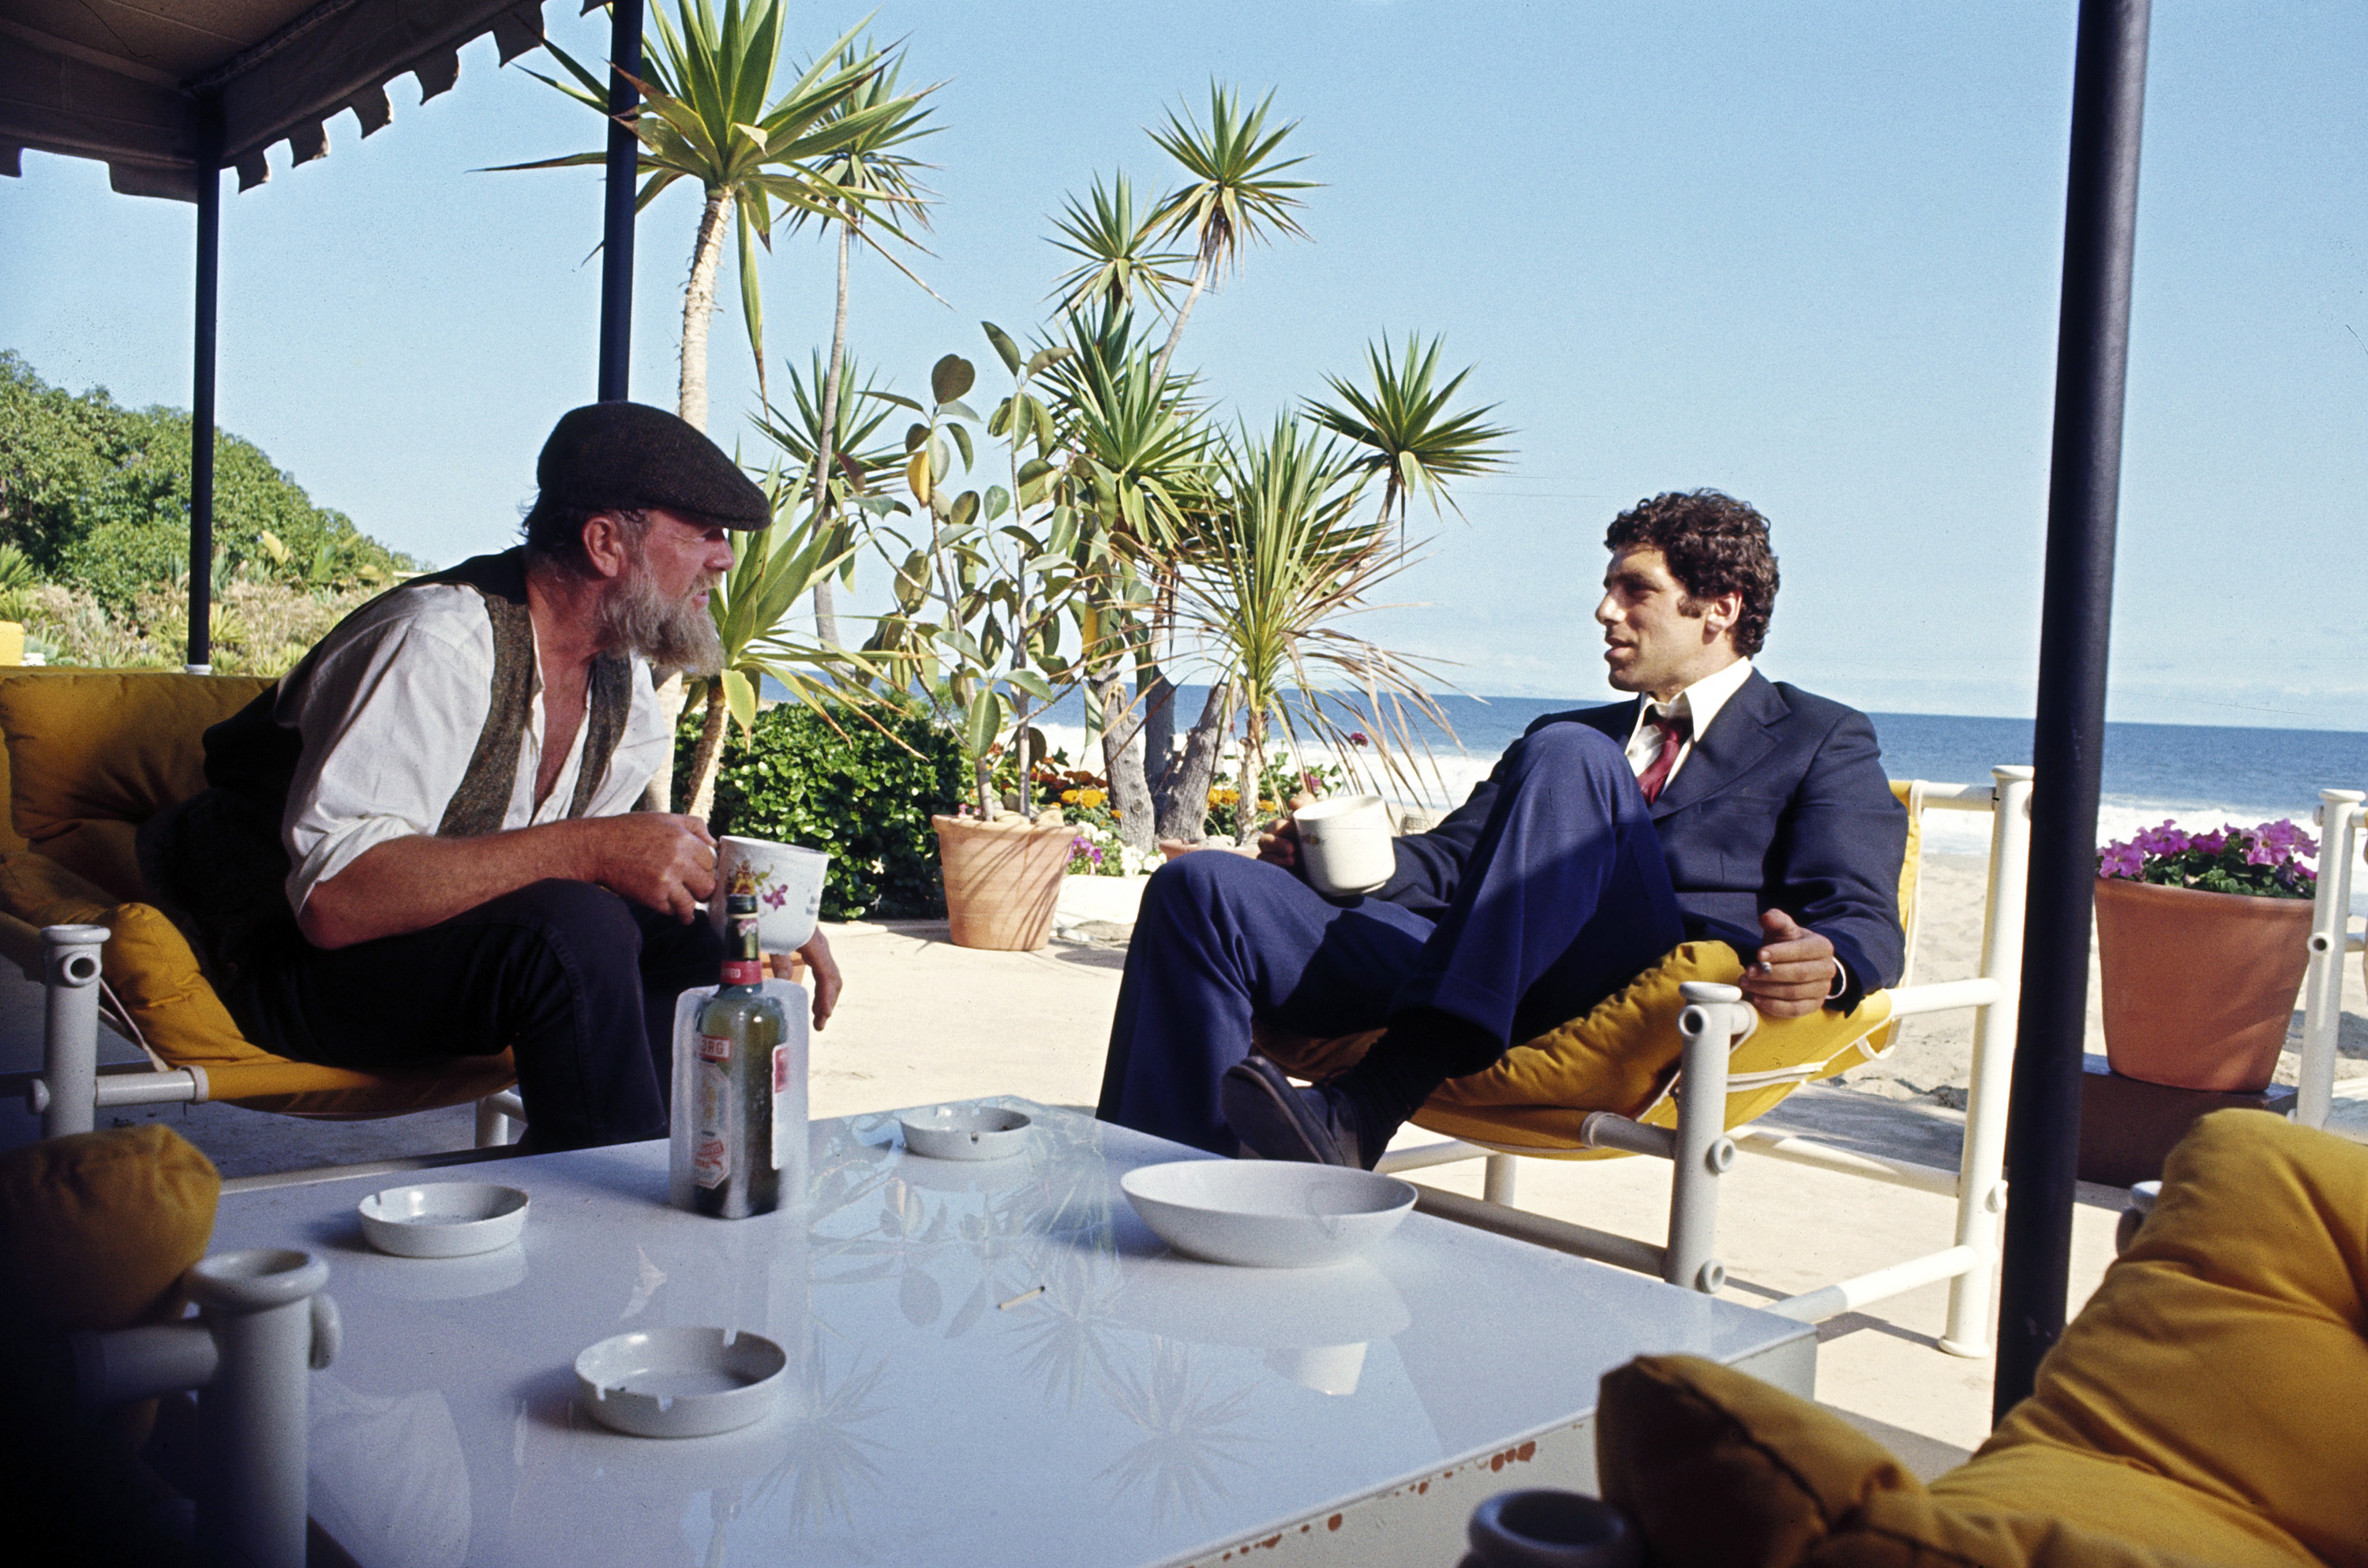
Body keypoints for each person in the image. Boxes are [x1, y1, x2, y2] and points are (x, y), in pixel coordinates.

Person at [1095, 488, 1907, 1167]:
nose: (1604, 610)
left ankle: (1371, 1103)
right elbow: (1452, 861)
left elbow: (1861, 912)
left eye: (1635, 590)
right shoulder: (1574, 727)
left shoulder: (1817, 736)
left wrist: (1831, 965)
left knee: (1575, 757)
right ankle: (1159, 1178)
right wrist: (1339, 862)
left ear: (1718, 610)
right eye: (1608, 587)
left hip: (1614, 984)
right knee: (1201, 887)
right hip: (1469, 968)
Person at [144, 402, 841, 1151]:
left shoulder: (623, 688)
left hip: (430, 961)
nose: (725, 558)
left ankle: (699, 1176)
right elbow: (334, 901)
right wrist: (591, 850)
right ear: (604, 542)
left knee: (697, 944)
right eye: (701, 532)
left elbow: (579, 872)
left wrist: (752, 906)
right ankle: (604, 1220)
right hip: (284, 965)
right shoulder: (439, 642)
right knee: (574, 934)